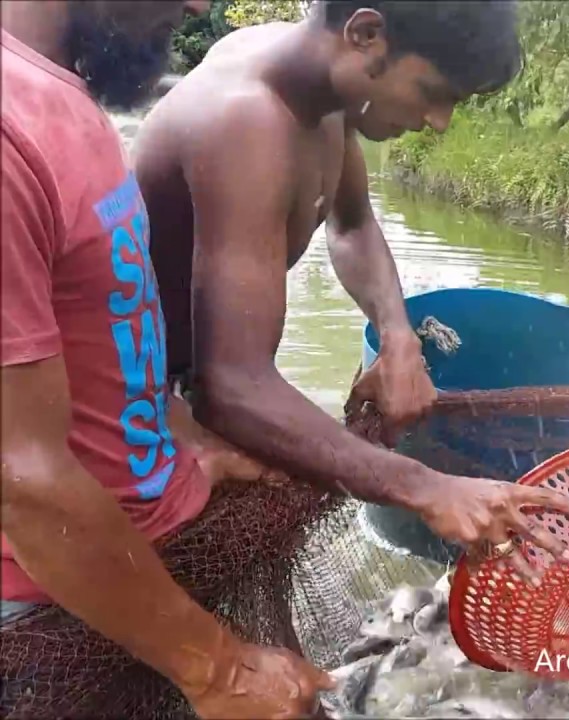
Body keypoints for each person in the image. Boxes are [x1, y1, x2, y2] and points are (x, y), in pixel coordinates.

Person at [132, 0, 569, 584]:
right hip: (136, 406)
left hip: (195, 385)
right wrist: (428, 488)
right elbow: (233, 390)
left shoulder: (321, 89)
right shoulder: (245, 121)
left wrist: (398, 335)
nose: (440, 120)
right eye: (432, 90)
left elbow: (350, 222)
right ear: (365, 33)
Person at [1, 1, 335, 716]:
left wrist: (177, 435)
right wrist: (219, 670)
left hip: (126, 589)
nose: (194, 6)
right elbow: (21, 480)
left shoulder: (60, 90)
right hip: (38, 629)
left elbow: (96, 329)